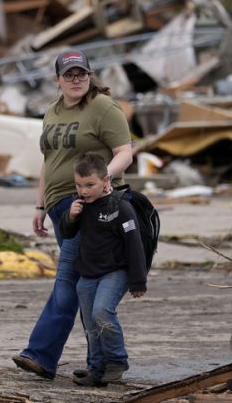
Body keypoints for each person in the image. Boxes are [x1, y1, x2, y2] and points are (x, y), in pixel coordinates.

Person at [13, 50, 133, 380]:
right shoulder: (51, 111)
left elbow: (126, 153)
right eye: (69, 74)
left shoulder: (103, 108)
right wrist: (39, 205)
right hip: (59, 207)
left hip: (88, 205)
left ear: (90, 76)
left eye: (82, 73)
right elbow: (48, 162)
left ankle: (41, 354)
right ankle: (102, 363)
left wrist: (101, 182)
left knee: (69, 280)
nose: (76, 79)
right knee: (85, 285)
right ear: (57, 80)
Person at [60, 153, 146, 387]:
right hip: (87, 275)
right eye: (79, 185)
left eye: (90, 185)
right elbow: (67, 233)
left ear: (106, 180)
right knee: (90, 323)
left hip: (115, 272)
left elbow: (134, 244)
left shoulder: (121, 207)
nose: (84, 191)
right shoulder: (80, 205)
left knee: (102, 312)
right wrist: (70, 216)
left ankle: (117, 362)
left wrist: (138, 281)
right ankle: (96, 369)